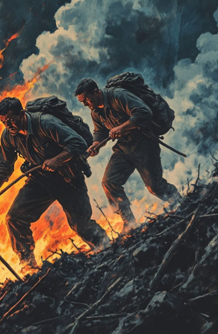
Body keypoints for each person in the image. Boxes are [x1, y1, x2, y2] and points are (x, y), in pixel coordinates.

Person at [0, 97, 110, 270]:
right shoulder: (8, 135)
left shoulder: (46, 123)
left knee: (81, 225)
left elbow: (78, 143)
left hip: (68, 178)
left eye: (11, 120)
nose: (8, 125)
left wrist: (57, 160)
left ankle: (107, 248)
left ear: (22, 114)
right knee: (14, 218)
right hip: (40, 180)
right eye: (4, 122)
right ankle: (28, 264)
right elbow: (3, 165)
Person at [75, 78, 181, 229]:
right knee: (109, 182)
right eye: (82, 102)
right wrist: (96, 144)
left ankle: (179, 201)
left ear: (96, 92)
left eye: (87, 100)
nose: (86, 104)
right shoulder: (95, 111)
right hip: (123, 147)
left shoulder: (118, 96)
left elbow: (144, 112)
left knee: (155, 186)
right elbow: (100, 131)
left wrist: (122, 128)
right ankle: (129, 223)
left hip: (144, 143)